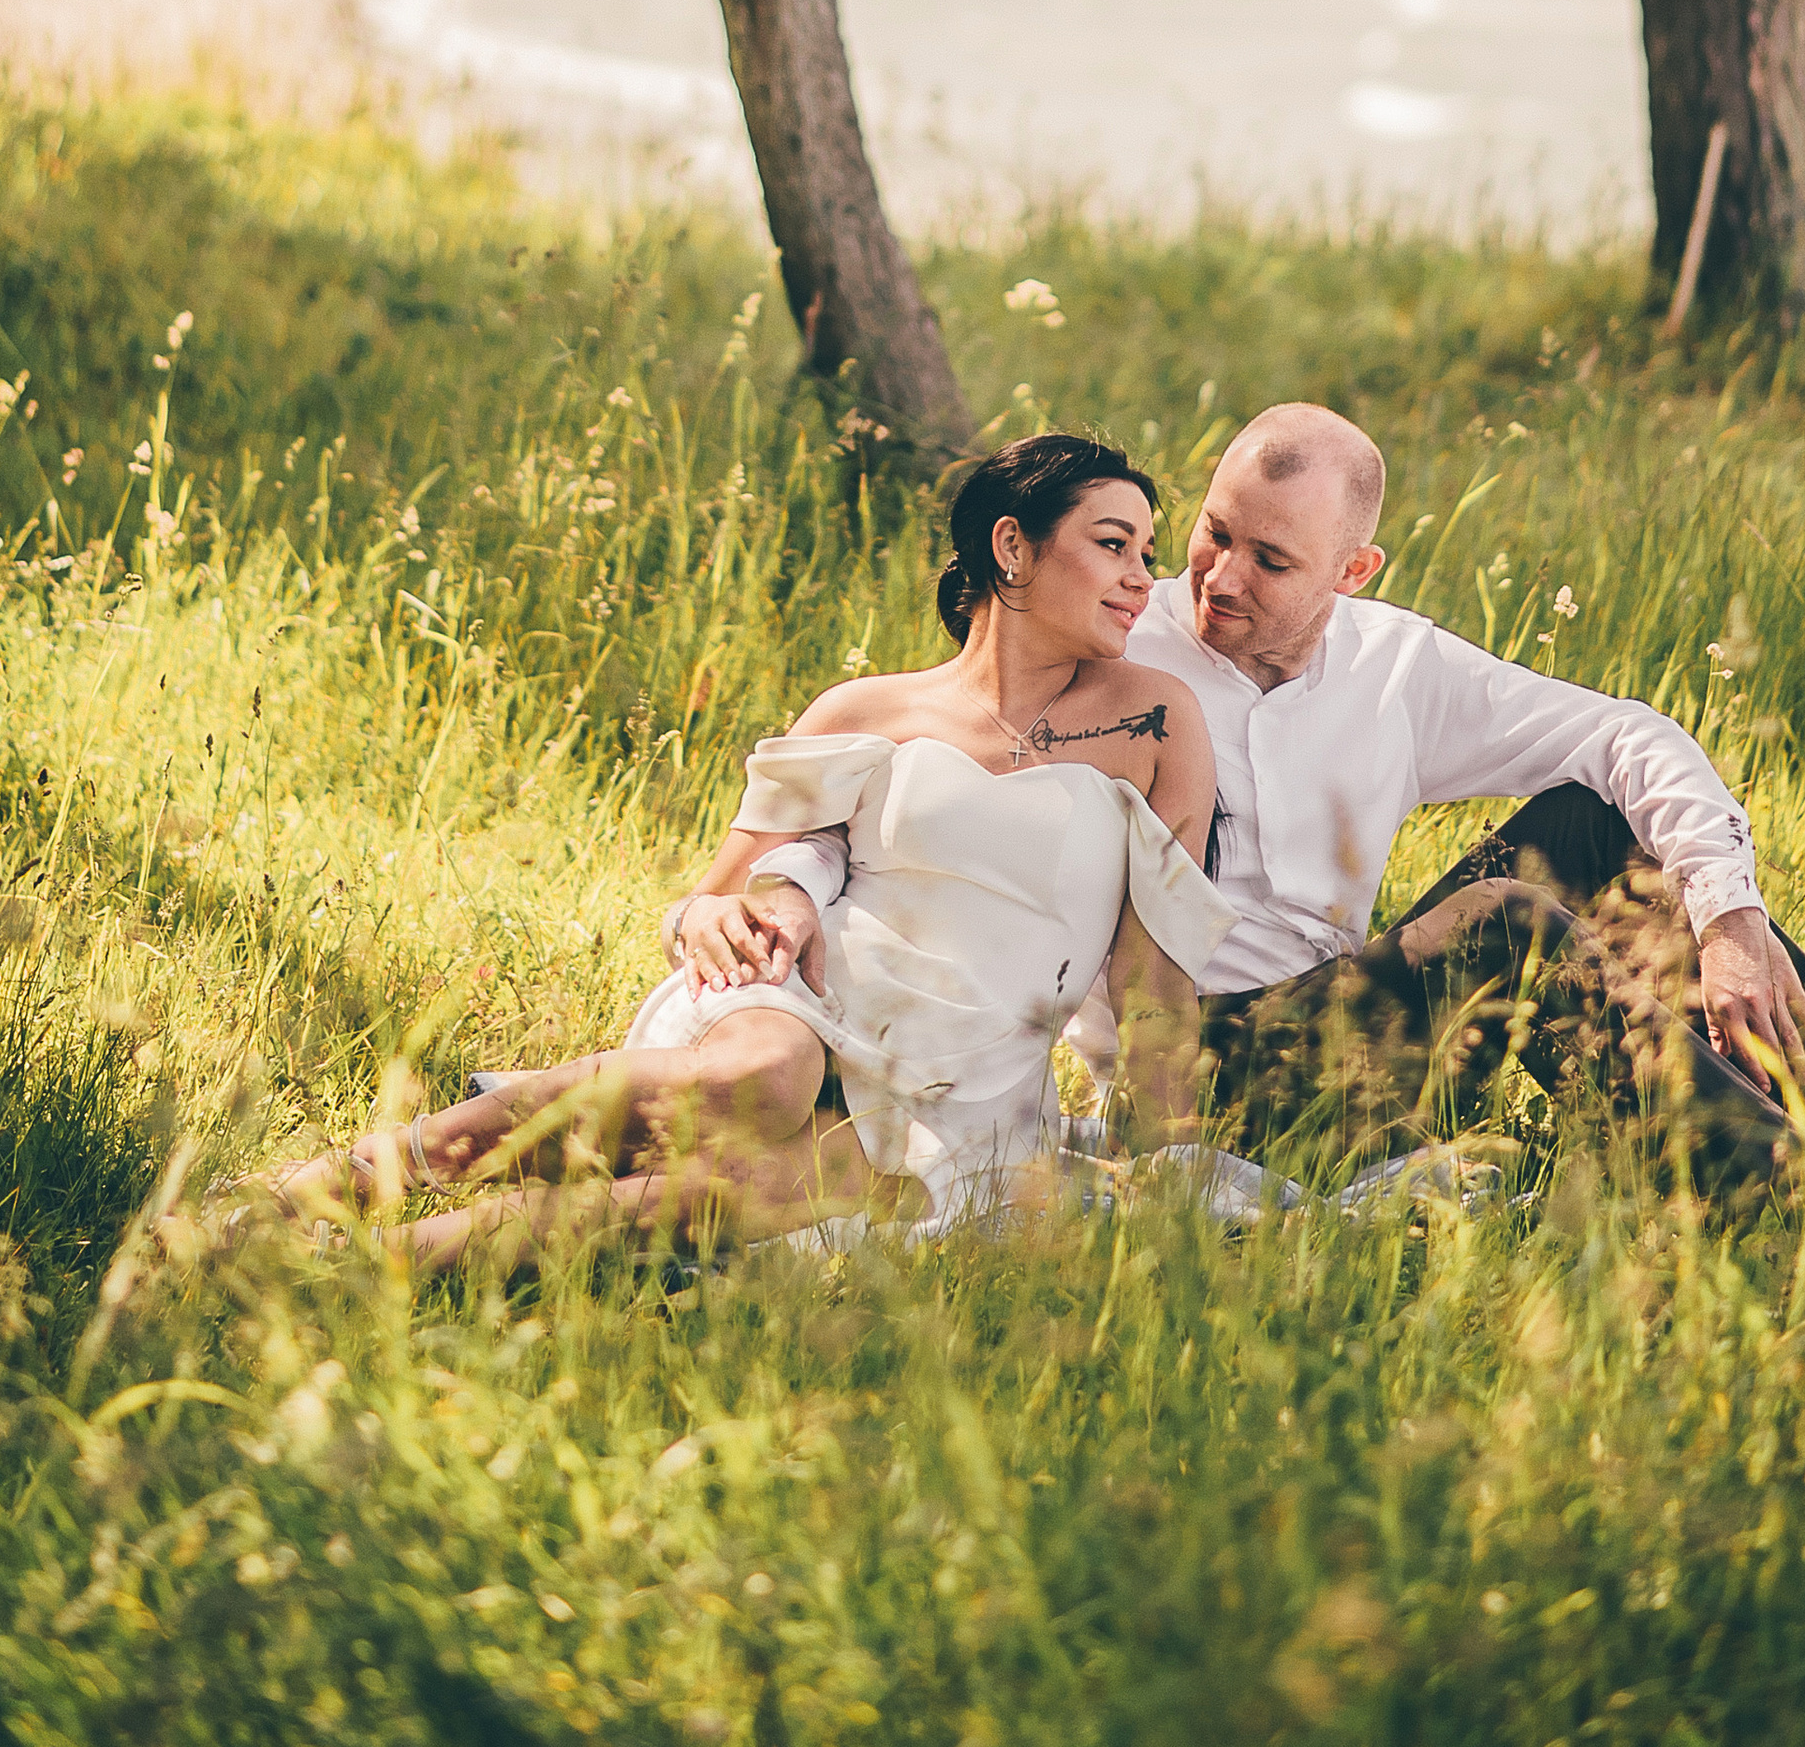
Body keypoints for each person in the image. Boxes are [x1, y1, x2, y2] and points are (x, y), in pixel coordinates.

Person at [279, 435, 1230, 1269]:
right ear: (1013, 546)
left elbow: (1153, 978)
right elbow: (710, 899)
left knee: (732, 1196)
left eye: (1147, 552)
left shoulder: (1155, 721)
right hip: (801, 1004)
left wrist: (1169, 1155)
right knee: (763, 1082)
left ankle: (357, 1272)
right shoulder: (869, 711)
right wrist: (718, 913)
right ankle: (350, 1178)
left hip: (964, 1079)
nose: (1146, 576)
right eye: (1113, 544)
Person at [1096, 400, 1805, 1187]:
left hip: (1357, 1035)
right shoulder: (1118, 644)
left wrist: (1730, 917)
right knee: (1500, 924)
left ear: (1352, 571)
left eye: (1271, 560)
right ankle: (1791, 1190)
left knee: (1591, 819)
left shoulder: (1391, 664)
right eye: (1215, 532)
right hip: (1201, 1073)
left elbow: (1624, 735)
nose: (1223, 577)